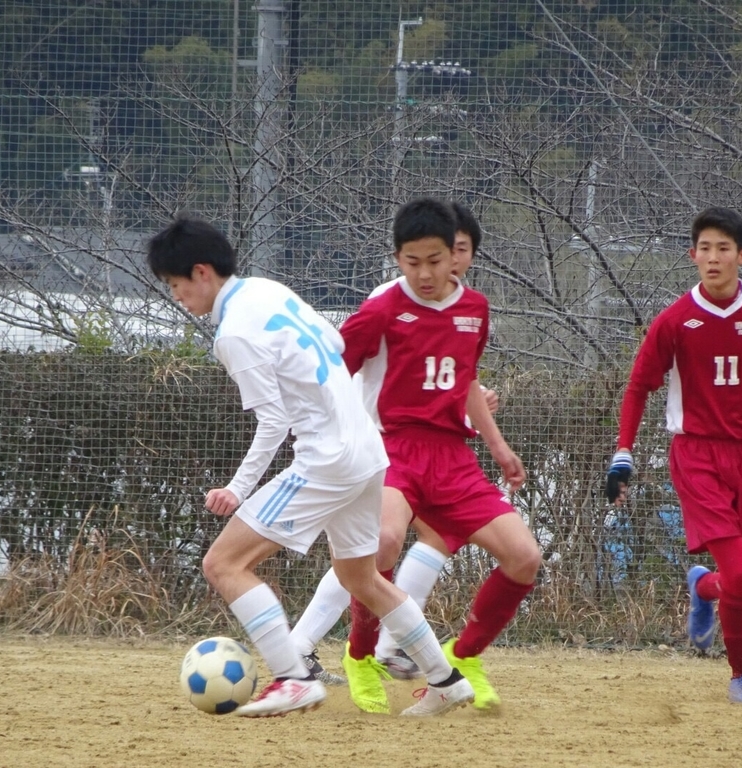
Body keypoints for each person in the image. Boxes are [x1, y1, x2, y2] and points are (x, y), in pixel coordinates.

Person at [146, 216, 473, 717]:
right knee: (362, 578)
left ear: (201, 272)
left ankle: (292, 677)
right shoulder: (267, 290)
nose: (177, 297)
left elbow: (274, 420)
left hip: (328, 458)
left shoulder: (232, 332)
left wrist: (238, 487)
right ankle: (446, 680)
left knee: (223, 563)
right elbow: (337, 345)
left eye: (176, 286)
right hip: (367, 448)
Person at [604, 206, 742, 704]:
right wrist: (623, 453)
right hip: (696, 456)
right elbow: (639, 385)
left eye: (723, 248)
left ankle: (703, 587)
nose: (713, 257)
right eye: (704, 248)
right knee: (741, 576)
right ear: (692, 256)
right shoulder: (676, 320)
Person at [335, 197, 541, 714]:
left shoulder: (475, 308)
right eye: (411, 262)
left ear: (456, 255)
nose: (424, 273)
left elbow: (466, 378)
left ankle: (464, 654)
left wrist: (497, 445)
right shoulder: (382, 310)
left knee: (525, 558)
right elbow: (334, 372)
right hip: (393, 449)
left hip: (453, 458)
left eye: (434, 260)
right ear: (397, 258)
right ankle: (360, 656)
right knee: (382, 543)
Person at [290, 202, 497, 685]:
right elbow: (343, 364)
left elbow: (448, 378)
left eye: (460, 253)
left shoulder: (465, 305)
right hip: (380, 444)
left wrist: (475, 408)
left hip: (429, 448)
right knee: (377, 546)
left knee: (417, 540)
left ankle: (384, 645)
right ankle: (328, 646)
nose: (453, 263)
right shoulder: (393, 297)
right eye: (452, 251)